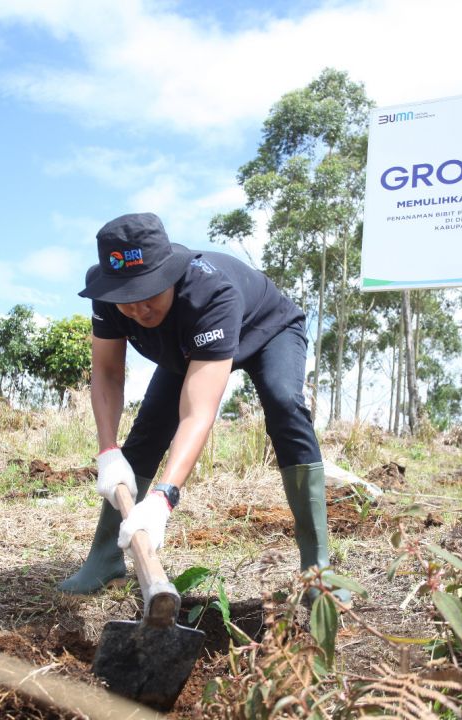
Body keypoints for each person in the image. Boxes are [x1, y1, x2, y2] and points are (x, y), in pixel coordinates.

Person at [58, 212, 344, 600]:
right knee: (147, 431)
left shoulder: (211, 294)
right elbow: (107, 373)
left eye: (148, 295)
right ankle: (105, 557)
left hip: (267, 329)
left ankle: (317, 567)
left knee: (284, 404)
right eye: (128, 301)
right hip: (187, 346)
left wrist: (163, 497)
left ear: (169, 275)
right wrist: (108, 450)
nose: (139, 311)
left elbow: (198, 412)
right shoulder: (109, 299)